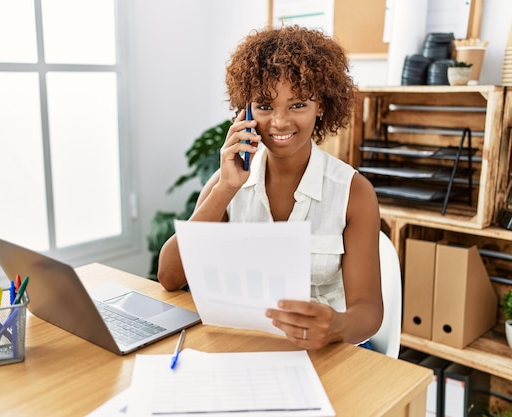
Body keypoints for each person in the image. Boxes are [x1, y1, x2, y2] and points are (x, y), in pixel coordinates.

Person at [157, 25, 383, 351]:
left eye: (297, 105)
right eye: (264, 106)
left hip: (331, 349)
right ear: (244, 111)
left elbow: (369, 310)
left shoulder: (353, 192)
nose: (279, 122)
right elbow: (169, 276)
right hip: (250, 344)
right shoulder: (228, 180)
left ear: (321, 106)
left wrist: (336, 325)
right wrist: (225, 188)